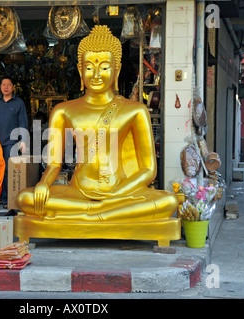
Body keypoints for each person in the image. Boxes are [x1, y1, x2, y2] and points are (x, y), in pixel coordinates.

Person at [16, 25, 178, 223]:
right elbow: (54, 164)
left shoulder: (135, 110)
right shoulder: (63, 110)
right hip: (78, 191)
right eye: (90, 67)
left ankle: (93, 212)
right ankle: (101, 213)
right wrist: (43, 183)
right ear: (80, 69)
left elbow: (148, 170)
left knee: (168, 201)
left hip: (119, 191)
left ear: (116, 69)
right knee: (26, 198)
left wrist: (116, 194)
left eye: (103, 67)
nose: (96, 75)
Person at [0, 75, 28, 209]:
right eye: (3, 85)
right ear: (0, 87)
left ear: (13, 87)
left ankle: (7, 199)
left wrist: (23, 140)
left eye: (8, 85)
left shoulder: (19, 103)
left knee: (8, 170)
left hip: (11, 142)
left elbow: (23, 121)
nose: (6, 87)